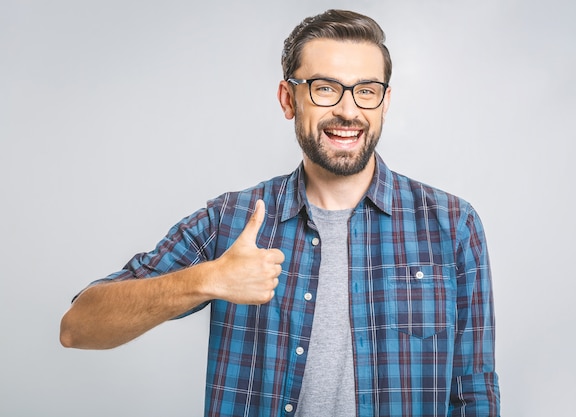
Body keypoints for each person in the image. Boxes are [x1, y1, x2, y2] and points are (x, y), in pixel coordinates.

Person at [60, 9, 500, 417]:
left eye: (366, 91)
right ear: (288, 99)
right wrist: (208, 278)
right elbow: (79, 326)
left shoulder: (451, 225)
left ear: (384, 103)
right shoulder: (230, 221)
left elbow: (474, 391)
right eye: (326, 88)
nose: (348, 110)